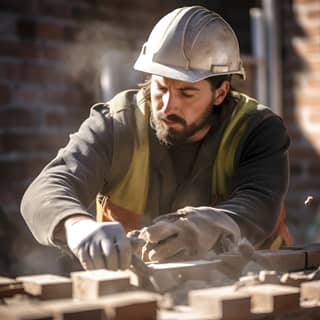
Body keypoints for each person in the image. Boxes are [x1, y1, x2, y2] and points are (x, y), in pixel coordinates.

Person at [21, 6, 292, 271]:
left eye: (186, 93)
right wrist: (77, 225)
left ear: (220, 93)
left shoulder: (258, 130)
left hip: (253, 285)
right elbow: (48, 188)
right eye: (160, 87)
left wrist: (210, 225)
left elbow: (260, 203)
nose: (166, 105)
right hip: (139, 295)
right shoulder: (117, 124)